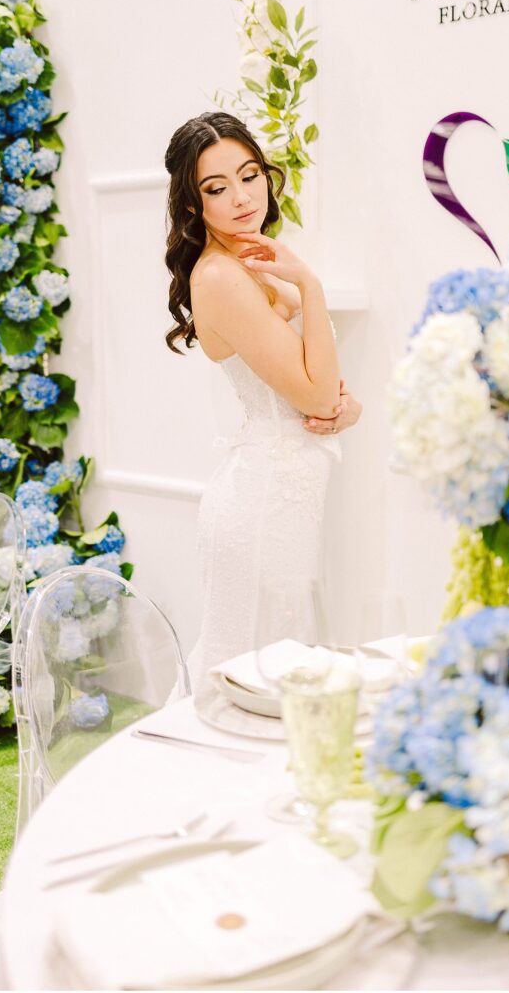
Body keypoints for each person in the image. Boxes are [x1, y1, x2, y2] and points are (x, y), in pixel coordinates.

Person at [163, 111, 362, 693]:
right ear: (194, 205)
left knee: (276, 677)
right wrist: (312, 287)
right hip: (262, 500)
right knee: (245, 680)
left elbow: (322, 390)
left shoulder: (256, 262)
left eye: (249, 176)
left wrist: (346, 410)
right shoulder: (221, 275)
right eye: (215, 188)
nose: (241, 197)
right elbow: (316, 389)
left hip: (285, 490)